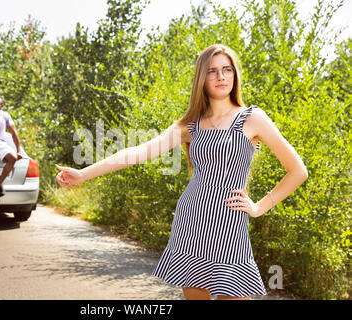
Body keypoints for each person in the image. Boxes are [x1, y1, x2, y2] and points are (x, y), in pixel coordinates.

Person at [55, 44, 309, 300]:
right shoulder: (190, 125)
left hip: (231, 227)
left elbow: (298, 170)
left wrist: (260, 207)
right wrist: (82, 174)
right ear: (202, 78)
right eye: (212, 71)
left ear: (234, 74)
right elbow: (136, 152)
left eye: (226, 69)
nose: (221, 77)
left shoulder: (253, 118)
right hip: (192, 221)